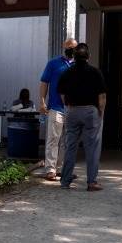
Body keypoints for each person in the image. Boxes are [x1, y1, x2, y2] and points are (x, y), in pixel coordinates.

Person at [57, 43, 107, 191]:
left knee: (70, 146)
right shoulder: (95, 72)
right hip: (90, 112)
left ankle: (65, 181)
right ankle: (91, 182)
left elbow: (62, 93)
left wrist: (68, 106)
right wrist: (101, 113)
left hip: (72, 111)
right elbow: (102, 96)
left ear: (74, 56)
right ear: (88, 56)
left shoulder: (67, 72)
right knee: (92, 147)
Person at [39, 38, 77, 181]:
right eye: (68, 47)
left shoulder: (78, 65)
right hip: (56, 107)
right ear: (63, 47)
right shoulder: (53, 63)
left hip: (73, 109)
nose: (71, 49)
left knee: (68, 141)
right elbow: (44, 83)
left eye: (73, 47)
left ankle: (62, 169)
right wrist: (42, 102)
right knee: (53, 139)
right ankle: (50, 169)